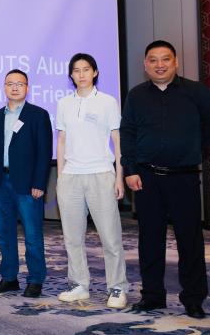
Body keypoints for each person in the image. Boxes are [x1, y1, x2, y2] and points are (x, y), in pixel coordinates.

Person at [121, 40, 210, 318]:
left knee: (190, 239)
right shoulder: (136, 95)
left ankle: (193, 298)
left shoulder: (196, 92)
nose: (159, 65)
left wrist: (192, 152)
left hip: (183, 177)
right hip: (147, 178)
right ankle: (152, 296)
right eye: (153, 60)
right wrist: (131, 169)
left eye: (165, 59)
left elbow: (207, 128)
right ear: (145, 64)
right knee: (150, 240)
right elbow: (128, 133)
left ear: (176, 62)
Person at [55, 53, 128, 309]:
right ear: (71, 75)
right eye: (76, 70)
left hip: (101, 173)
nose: (82, 74)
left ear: (95, 72)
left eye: (86, 69)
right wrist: (60, 178)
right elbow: (61, 141)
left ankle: (117, 287)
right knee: (72, 237)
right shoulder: (64, 103)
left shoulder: (108, 102)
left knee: (110, 236)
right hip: (71, 177)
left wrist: (118, 176)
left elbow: (117, 141)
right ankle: (79, 285)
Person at [0, 69, 52, 298]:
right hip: (0, 183)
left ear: (27, 87)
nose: (14, 87)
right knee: (4, 234)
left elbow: (44, 153)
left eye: (19, 84)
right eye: (9, 83)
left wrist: (40, 183)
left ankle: (35, 279)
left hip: (28, 185)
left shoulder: (38, 115)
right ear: (4, 87)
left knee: (32, 234)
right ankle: (9, 278)